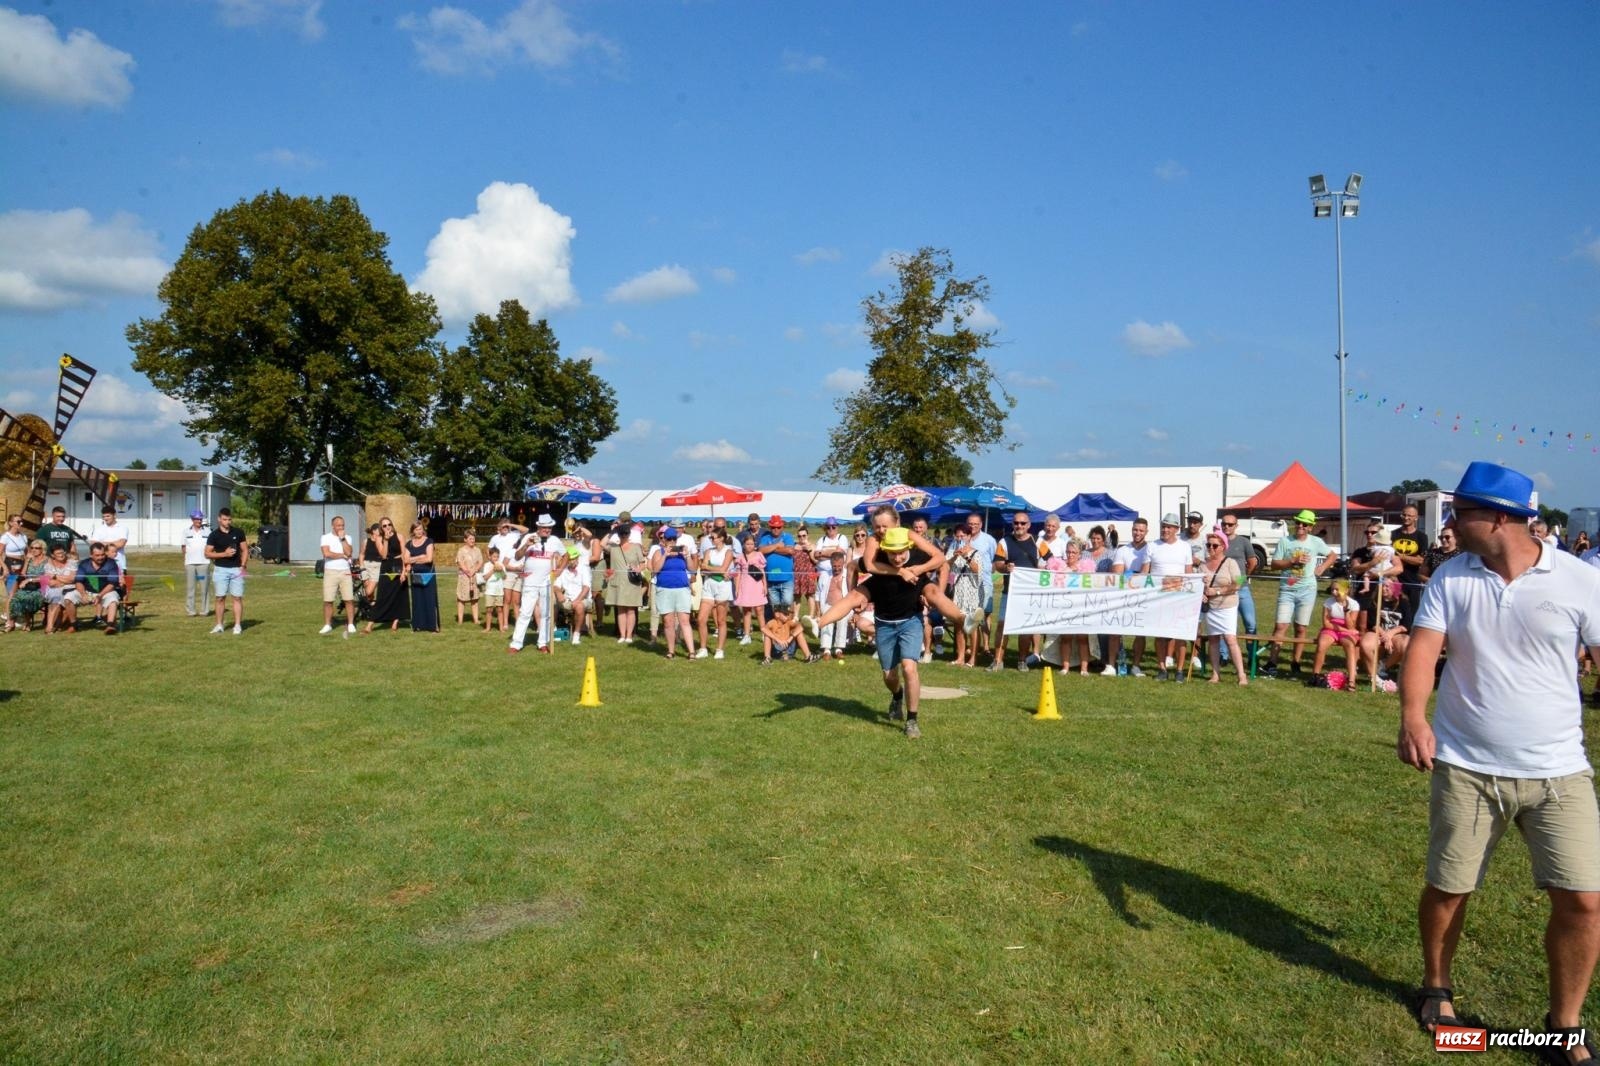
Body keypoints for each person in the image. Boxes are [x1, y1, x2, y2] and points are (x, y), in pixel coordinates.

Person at [1399, 461, 1600, 1059]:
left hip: (1561, 769)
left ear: (1503, 518)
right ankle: (1437, 986)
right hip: (1467, 764)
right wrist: (1413, 717)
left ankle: (1563, 1028)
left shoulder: (1577, 579)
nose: (1451, 524)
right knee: (1449, 886)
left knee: (1585, 899)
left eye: (1461, 513)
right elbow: (1423, 650)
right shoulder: (1451, 578)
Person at [860, 527, 928, 738]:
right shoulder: (874, 559)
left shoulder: (918, 557)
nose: (897, 557)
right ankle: (897, 696)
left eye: (901, 553)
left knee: (909, 668)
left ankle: (912, 720)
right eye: (892, 553)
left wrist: (932, 591)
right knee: (889, 676)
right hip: (885, 624)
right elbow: (853, 566)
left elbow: (941, 562)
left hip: (911, 621)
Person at [1262, 509, 1337, 678]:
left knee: (1301, 627)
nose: (1300, 526)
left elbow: (1332, 555)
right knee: (1281, 625)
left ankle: (1295, 663)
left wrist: (1322, 567)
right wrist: (1292, 561)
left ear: (1311, 527)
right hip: (1287, 588)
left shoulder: (1316, 542)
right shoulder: (1285, 541)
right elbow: (1274, 565)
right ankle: (1272, 663)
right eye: (1298, 523)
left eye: (1305, 524)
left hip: (1307, 589)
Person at [1147, 513, 1196, 681]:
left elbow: (1189, 573)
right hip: (1157, 596)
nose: (1165, 529)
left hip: (1179, 596)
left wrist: (1191, 593)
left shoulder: (1184, 547)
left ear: (1176, 529)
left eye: (1169, 527)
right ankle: (1162, 669)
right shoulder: (1152, 546)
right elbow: (1145, 571)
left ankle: (1180, 670)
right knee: (1159, 635)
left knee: (1180, 634)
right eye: (1163, 526)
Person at [991, 511, 1041, 671]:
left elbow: (1052, 561)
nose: (1019, 526)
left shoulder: (1038, 542)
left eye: (1022, 523)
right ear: (1012, 524)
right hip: (1009, 592)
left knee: (1024, 628)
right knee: (1002, 626)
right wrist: (1005, 567)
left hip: (1029, 593)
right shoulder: (1004, 542)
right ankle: (998, 661)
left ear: (1029, 525)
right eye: (1016, 523)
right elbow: (997, 564)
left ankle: (1022, 661)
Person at [508, 514, 564, 653]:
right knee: (525, 612)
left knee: (546, 613)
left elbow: (566, 555)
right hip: (530, 581)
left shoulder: (555, 540)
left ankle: (542, 643)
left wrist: (560, 570)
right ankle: (516, 644)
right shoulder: (529, 538)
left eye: (549, 527)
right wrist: (527, 545)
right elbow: (517, 556)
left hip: (547, 582)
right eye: (545, 527)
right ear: (539, 527)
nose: (547, 530)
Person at [1104, 517, 1153, 676]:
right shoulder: (1122, 550)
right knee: (1115, 631)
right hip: (1123, 595)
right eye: (1135, 530)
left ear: (1146, 532)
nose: (1137, 533)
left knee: (1140, 632)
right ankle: (1111, 665)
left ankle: (1136, 665)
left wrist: (1132, 575)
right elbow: (1117, 573)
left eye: (1141, 530)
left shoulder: (1150, 549)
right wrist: (1135, 575)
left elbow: (1149, 573)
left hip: (1143, 595)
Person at [1200, 529, 1247, 685]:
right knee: (1213, 639)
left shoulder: (1231, 563)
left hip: (1227, 606)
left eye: (1215, 545)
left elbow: (1239, 582)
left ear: (1223, 547)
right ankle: (1215, 674)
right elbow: (1198, 585)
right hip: (1211, 607)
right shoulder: (1202, 565)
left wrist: (1218, 591)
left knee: (1230, 639)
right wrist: (1202, 594)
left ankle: (1241, 675)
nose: (1211, 548)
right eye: (1209, 545)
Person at [649, 524, 697, 659]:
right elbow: (655, 569)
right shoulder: (658, 552)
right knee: (668, 621)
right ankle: (671, 651)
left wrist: (687, 556)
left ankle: (691, 652)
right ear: (663, 540)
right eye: (668, 539)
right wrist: (666, 555)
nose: (671, 542)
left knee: (684, 620)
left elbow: (692, 569)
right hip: (664, 589)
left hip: (682, 588)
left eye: (673, 539)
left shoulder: (682, 553)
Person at [1308, 580, 1360, 687]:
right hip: (1332, 628)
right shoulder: (1328, 602)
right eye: (1332, 589)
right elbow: (1326, 623)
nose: (1334, 592)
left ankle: (1351, 681)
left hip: (1347, 628)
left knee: (1350, 646)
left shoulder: (1354, 604)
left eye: (1337, 589)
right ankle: (1315, 676)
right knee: (1321, 644)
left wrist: (1346, 613)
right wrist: (1345, 630)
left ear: (1346, 590)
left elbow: (1351, 626)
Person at [603, 516, 646, 644]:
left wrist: (638, 569)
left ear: (629, 534)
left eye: (626, 533)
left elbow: (644, 563)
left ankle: (629, 636)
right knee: (621, 609)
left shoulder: (636, 547)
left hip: (631, 582)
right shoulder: (614, 547)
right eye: (621, 533)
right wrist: (612, 531)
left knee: (631, 609)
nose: (623, 535)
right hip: (618, 581)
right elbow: (602, 544)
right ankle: (622, 635)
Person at [206, 508, 247, 635]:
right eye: (224, 519)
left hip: (236, 570)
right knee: (220, 598)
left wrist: (243, 565)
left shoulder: (238, 532)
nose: (227, 522)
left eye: (229, 519)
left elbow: (245, 550)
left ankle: (237, 625)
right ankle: (219, 625)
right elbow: (207, 553)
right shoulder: (214, 535)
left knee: (237, 597)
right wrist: (224, 553)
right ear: (219, 519)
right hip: (220, 570)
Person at [362, 518, 407, 634]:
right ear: (381, 528)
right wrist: (386, 540)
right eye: (384, 525)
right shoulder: (379, 538)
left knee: (398, 595)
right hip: (386, 567)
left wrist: (404, 571)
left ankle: (395, 623)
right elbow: (383, 555)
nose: (387, 527)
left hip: (398, 566)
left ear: (392, 525)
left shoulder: (400, 536)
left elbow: (404, 555)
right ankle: (370, 624)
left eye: (389, 524)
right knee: (383, 595)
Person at [695, 527, 733, 659]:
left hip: (722, 586)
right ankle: (703, 648)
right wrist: (715, 569)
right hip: (708, 586)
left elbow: (723, 569)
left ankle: (719, 649)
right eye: (710, 537)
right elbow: (702, 567)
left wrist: (710, 568)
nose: (711, 539)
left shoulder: (728, 551)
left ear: (721, 538)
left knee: (721, 620)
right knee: (701, 619)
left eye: (713, 537)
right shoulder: (708, 551)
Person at [72, 541, 122, 635]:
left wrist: (100, 595)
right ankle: (73, 625)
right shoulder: (84, 564)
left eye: (102, 555)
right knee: (69, 597)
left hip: (106, 591)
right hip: (87, 591)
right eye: (97, 555)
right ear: (91, 555)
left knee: (113, 599)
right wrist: (83, 594)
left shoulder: (111, 563)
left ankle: (110, 625)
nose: (101, 557)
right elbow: (78, 581)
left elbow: (112, 583)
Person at [319, 515, 357, 635]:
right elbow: (326, 553)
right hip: (330, 571)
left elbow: (349, 552)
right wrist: (341, 555)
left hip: (345, 571)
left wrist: (343, 539)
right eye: (338, 525)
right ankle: (327, 624)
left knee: (349, 599)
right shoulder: (325, 538)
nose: (341, 527)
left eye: (342, 525)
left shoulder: (348, 538)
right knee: (328, 600)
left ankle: (351, 624)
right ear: (333, 526)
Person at [1390, 504, 1427, 626]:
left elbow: (1421, 561)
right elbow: (1389, 557)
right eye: (1404, 515)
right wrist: (1412, 558)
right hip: (1395, 580)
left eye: (1409, 515)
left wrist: (1401, 557)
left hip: (1413, 581)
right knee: (1395, 608)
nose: (1406, 518)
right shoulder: (1393, 534)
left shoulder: (1422, 537)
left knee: (1412, 611)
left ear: (1416, 518)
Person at [488, 518, 528, 625]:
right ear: (498, 528)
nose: (505, 528)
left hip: (516, 569)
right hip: (503, 569)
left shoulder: (514, 534)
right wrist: (495, 564)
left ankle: (518, 623)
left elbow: (526, 530)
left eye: (507, 526)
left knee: (516, 600)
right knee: (506, 598)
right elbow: (489, 552)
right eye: (503, 526)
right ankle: (504, 621)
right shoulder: (495, 538)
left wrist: (510, 524)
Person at [554, 534, 590, 644]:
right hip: (566, 600)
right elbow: (556, 585)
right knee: (552, 601)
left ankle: (576, 634)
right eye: (570, 559)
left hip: (582, 599)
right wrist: (559, 593)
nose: (572, 561)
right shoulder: (563, 570)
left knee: (579, 607)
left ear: (578, 558)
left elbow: (586, 588)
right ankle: (553, 629)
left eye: (574, 558)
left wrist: (577, 600)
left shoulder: (584, 569)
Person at [732, 534, 767, 646]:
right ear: (743, 545)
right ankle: (746, 635)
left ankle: (764, 633)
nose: (750, 546)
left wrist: (765, 585)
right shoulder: (740, 557)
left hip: (757, 585)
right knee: (746, 610)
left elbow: (762, 573)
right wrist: (737, 588)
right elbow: (738, 574)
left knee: (759, 610)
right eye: (747, 544)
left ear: (755, 545)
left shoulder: (759, 555)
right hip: (745, 585)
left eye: (752, 544)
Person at [404, 521, 438, 633]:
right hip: (415, 575)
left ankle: (432, 626)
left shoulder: (429, 541)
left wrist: (413, 560)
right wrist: (419, 557)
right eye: (416, 529)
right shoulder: (409, 544)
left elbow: (429, 559)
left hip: (428, 574)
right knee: (417, 600)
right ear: (413, 531)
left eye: (420, 529)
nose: (419, 531)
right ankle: (418, 625)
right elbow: (406, 559)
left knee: (429, 599)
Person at [6, 539, 46, 632]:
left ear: (42, 549)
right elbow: (23, 574)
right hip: (28, 587)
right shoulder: (30, 560)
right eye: (32, 548)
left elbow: (46, 577)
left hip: (41, 588)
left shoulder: (47, 560)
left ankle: (27, 623)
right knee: (15, 598)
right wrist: (27, 561)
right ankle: (11, 623)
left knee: (27, 598)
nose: (33, 550)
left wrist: (30, 579)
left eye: (37, 548)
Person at [758, 515, 796, 610]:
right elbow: (761, 550)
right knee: (776, 607)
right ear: (770, 527)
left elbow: (790, 551)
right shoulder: (765, 538)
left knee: (787, 603)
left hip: (786, 579)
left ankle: (787, 623)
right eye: (773, 527)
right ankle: (778, 623)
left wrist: (771, 548)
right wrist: (777, 546)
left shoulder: (787, 537)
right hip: (771, 579)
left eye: (778, 527)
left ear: (782, 527)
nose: (776, 529)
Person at [89, 504, 130, 590]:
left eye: (108, 516)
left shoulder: (123, 528)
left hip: (119, 564)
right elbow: (94, 545)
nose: (106, 518)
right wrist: (113, 543)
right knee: (103, 589)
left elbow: (121, 544)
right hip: (103, 565)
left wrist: (102, 543)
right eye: (104, 516)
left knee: (121, 589)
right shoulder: (99, 529)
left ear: (114, 515)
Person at [181, 510, 211, 617]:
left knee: (204, 588)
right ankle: (191, 611)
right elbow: (183, 547)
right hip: (190, 564)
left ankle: (205, 610)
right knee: (190, 588)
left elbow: (211, 547)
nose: (199, 520)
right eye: (197, 519)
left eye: (200, 519)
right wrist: (188, 558)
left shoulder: (208, 531)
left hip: (203, 563)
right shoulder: (185, 531)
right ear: (192, 519)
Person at [41, 545, 78, 632]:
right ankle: (53, 625)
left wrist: (55, 576)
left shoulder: (72, 563)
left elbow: (72, 579)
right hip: (54, 588)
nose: (61, 555)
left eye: (62, 552)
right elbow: (50, 582)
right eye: (58, 553)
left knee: (62, 595)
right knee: (56, 595)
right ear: (53, 555)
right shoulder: (48, 566)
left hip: (70, 587)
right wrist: (64, 580)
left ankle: (51, 626)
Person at [454, 529, 484, 626]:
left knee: (474, 599)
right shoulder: (461, 550)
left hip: (474, 576)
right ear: (465, 540)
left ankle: (475, 620)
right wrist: (467, 571)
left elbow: (480, 562)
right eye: (470, 539)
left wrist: (474, 570)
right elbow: (459, 562)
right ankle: (460, 620)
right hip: (464, 577)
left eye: (473, 538)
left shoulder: (477, 550)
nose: (472, 540)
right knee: (461, 599)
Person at [3, 514, 29, 615]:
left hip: (21, 564)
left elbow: (27, 552)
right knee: (12, 592)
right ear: (11, 523)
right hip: (10, 564)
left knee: (20, 592)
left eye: (21, 521)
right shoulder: (6, 537)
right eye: (18, 522)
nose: (21, 524)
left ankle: (16, 615)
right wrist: (4, 568)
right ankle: (7, 616)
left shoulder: (23, 536)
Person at [792, 525, 819, 617]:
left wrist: (810, 550)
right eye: (799, 536)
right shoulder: (795, 546)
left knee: (810, 595)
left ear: (808, 536)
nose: (802, 538)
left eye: (804, 535)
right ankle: (795, 617)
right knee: (796, 596)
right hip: (797, 574)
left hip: (809, 573)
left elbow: (815, 561)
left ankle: (811, 616)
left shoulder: (813, 546)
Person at [480, 547, 507, 632]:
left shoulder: (501, 565)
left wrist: (501, 570)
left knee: (499, 609)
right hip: (489, 591)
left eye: (497, 556)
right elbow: (485, 578)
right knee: (489, 610)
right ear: (490, 557)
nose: (496, 558)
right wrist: (493, 569)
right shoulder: (487, 565)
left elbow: (504, 577)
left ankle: (501, 628)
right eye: (494, 556)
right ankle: (488, 627)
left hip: (499, 591)